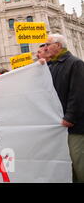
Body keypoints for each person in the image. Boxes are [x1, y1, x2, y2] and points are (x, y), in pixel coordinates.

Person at [44, 33, 84, 183]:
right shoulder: (53, 66)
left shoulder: (75, 63)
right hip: (59, 124)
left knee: (78, 161)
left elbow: (78, 93)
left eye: (48, 44)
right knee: (68, 164)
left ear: (58, 46)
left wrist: (69, 117)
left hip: (74, 126)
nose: (45, 48)